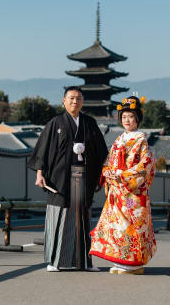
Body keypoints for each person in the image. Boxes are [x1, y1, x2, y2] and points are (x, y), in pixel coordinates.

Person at [28, 86, 108, 272]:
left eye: (79, 98)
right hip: (60, 179)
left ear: (83, 102)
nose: (75, 101)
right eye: (71, 98)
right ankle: (55, 261)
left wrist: (106, 172)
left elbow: (102, 152)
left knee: (83, 219)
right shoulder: (55, 123)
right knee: (59, 217)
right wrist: (39, 174)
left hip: (84, 177)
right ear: (63, 101)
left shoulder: (90, 123)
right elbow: (42, 152)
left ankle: (85, 262)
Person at [89, 96, 157, 275]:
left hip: (132, 192)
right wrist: (107, 171)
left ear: (138, 119)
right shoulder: (119, 139)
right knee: (118, 227)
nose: (127, 120)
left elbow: (146, 165)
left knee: (132, 227)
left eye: (131, 116)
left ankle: (134, 265)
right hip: (117, 191)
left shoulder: (141, 139)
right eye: (124, 116)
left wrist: (121, 175)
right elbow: (109, 161)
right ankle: (120, 262)